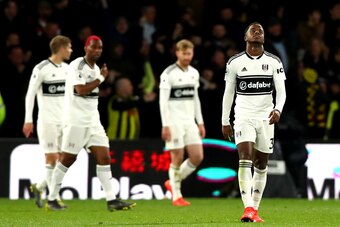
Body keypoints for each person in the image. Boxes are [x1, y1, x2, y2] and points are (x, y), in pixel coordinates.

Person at [46, 35, 136, 211]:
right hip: (76, 121)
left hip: (93, 121)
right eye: (94, 47)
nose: (97, 51)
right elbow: (80, 90)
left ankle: (111, 200)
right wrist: (101, 79)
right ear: (86, 48)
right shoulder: (77, 65)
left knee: (104, 157)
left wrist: (98, 84)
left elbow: (91, 93)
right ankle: (51, 198)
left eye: (100, 48)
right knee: (67, 159)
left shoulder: (96, 69)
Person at [221, 22, 286, 222]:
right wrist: (225, 120)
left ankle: (255, 209)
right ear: (245, 37)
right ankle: (248, 208)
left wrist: (278, 109)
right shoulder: (235, 62)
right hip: (243, 116)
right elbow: (228, 93)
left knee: (261, 163)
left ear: (264, 39)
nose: (257, 32)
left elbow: (281, 91)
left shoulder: (274, 61)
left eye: (261, 31)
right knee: (245, 157)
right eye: (253, 30)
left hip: (266, 118)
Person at [22, 35, 72, 208]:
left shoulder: (68, 69)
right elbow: (30, 94)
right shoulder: (41, 68)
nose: (71, 50)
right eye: (69, 47)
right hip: (47, 120)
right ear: (61, 48)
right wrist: (28, 120)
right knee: (51, 157)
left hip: (65, 121)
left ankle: (39, 187)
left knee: (63, 159)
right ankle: (53, 199)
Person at [159, 39, 206, 206]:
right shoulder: (168, 74)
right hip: (174, 122)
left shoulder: (194, 73)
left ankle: (172, 183)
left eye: (189, 53)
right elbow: (163, 102)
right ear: (177, 53)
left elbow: (195, 99)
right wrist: (165, 124)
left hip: (189, 121)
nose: (187, 56)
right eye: (184, 53)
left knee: (197, 156)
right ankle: (176, 195)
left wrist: (200, 122)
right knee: (177, 157)